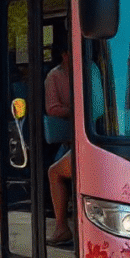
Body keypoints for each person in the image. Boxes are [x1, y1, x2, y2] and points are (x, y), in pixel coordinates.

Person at [45, 43, 73, 246]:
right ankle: (61, 226)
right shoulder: (54, 76)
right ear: (64, 54)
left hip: (80, 137)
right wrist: (76, 111)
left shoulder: (90, 69)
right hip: (67, 136)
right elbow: (52, 109)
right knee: (55, 171)